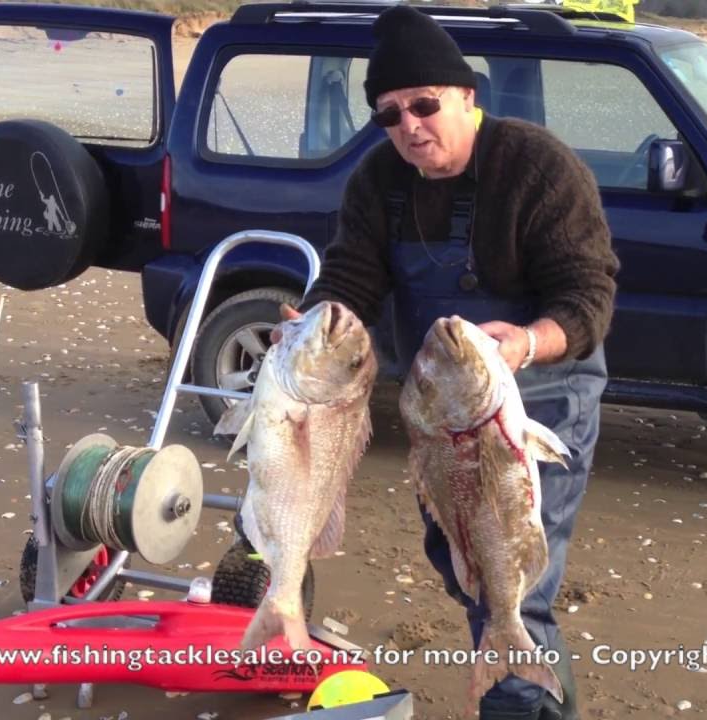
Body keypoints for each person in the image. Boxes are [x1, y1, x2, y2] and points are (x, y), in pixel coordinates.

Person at [265, 6, 618, 718]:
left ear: (466, 96)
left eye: (424, 105)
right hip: (439, 414)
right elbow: (351, 278)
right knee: (464, 570)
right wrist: (316, 323)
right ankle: (542, 691)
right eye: (389, 115)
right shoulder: (377, 180)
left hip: (540, 396)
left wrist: (523, 343)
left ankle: (518, 703)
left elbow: (589, 295)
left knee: (514, 584)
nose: (410, 126)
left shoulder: (539, 167)